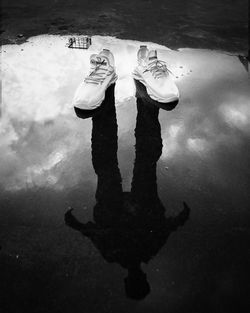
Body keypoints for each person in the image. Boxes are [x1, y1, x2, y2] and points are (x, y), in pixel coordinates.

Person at [65, 48, 189, 300]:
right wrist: (178, 220)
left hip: (115, 209)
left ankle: (108, 92)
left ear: (129, 280)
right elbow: (165, 229)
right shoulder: (144, 250)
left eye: (134, 281)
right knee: (142, 162)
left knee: (109, 165)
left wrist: (78, 226)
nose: (136, 276)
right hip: (143, 206)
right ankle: (142, 90)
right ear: (142, 278)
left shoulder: (115, 254)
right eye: (139, 280)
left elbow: (96, 234)